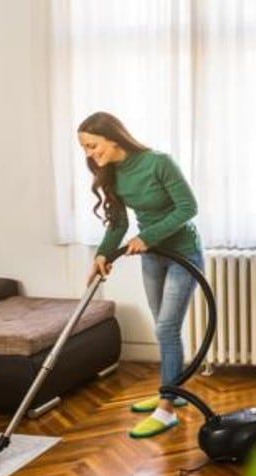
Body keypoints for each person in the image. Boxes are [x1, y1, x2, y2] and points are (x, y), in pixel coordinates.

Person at [79, 112, 203, 438]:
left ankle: (167, 411)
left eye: (93, 145)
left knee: (167, 326)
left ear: (112, 136)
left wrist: (147, 237)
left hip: (183, 255)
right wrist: (103, 254)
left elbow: (188, 207)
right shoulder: (111, 174)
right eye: (86, 149)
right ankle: (172, 391)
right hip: (152, 258)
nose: (90, 154)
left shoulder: (158, 163)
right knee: (165, 330)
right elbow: (118, 223)